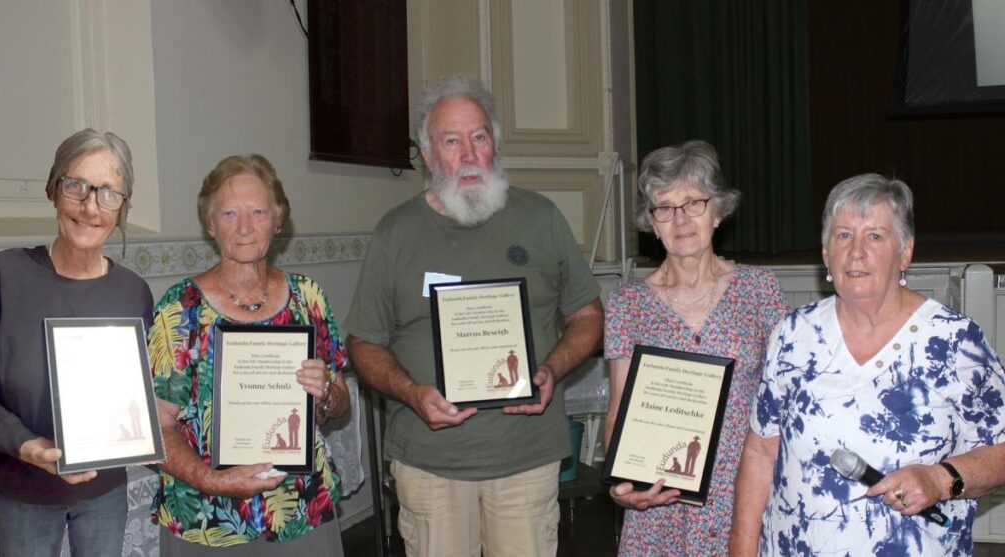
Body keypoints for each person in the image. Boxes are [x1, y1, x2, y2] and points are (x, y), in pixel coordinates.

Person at [344, 74, 604, 557]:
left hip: (525, 459)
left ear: (495, 146)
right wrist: (411, 393)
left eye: (479, 138)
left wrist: (552, 370)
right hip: (429, 465)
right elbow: (364, 342)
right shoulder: (395, 233)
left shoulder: (541, 218)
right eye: (451, 141)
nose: (467, 154)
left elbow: (588, 315)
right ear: (428, 155)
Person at [730, 174, 1005, 555]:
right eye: (843, 235)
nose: (856, 251)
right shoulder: (793, 334)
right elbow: (761, 452)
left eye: (875, 236)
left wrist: (941, 480)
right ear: (826, 254)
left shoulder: (954, 342)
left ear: (905, 252)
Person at [147, 154, 350, 555]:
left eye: (257, 211)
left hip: (300, 511)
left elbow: (339, 402)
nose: (243, 227)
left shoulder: (308, 297)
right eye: (228, 213)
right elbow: (155, 427)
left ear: (278, 220)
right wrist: (213, 480)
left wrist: (326, 391)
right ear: (209, 223)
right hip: (207, 518)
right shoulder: (179, 309)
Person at [603, 140, 790, 556]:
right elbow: (618, 411)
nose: (680, 219)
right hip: (658, 505)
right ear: (651, 223)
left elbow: (785, 403)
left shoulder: (759, 290)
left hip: (742, 499)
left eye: (693, 203)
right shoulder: (626, 305)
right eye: (665, 208)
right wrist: (621, 483)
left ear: (718, 212)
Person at [0, 128, 153, 556]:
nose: (90, 206)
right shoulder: (3, 275)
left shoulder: (134, 293)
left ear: (123, 208)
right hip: (24, 492)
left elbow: (137, 396)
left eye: (109, 193)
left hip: (105, 494)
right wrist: (24, 443)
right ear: (54, 190)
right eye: (76, 186)